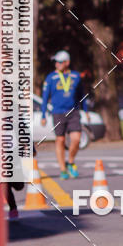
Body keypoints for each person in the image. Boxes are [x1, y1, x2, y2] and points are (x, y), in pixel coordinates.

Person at [41, 50, 89, 178]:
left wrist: (86, 110)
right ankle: (62, 169)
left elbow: (81, 95)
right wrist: (43, 115)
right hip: (58, 113)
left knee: (76, 139)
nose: (57, 64)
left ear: (67, 63)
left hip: (73, 112)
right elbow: (45, 97)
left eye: (60, 62)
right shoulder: (51, 78)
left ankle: (70, 161)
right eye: (56, 62)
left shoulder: (76, 76)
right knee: (60, 140)